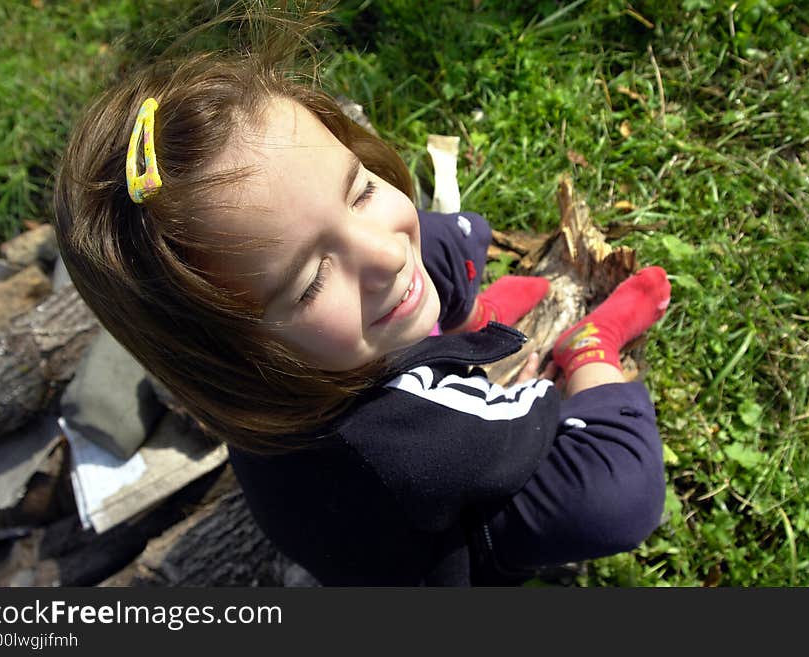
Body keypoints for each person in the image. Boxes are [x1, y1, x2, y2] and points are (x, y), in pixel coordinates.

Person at [52, 6, 670, 585]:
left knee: (427, 243)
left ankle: (461, 318)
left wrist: (453, 263)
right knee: (613, 499)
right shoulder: (408, 437)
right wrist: (537, 376)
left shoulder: (287, 361)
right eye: (311, 280)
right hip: (436, 546)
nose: (383, 252)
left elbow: (402, 242)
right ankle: (592, 347)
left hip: (344, 457)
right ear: (236, 355)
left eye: (359, 189)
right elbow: (522, 413)